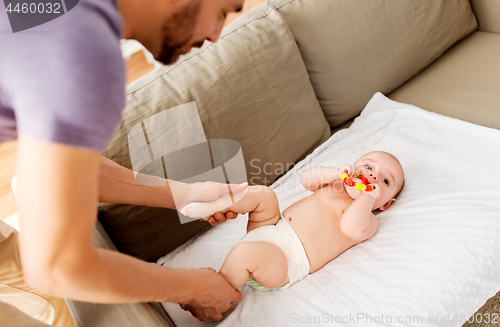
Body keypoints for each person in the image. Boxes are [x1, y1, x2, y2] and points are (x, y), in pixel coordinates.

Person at [0, 0, 246, 322]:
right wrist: (195, 287)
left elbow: (65, 175)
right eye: (223, 11)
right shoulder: (84, 56)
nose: (216, 34)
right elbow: (56, 267)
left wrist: (181, 194)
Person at [181, 151, 405, 292]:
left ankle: (216, 292)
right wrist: (337, 173)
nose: (373, 176)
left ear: (386, 204)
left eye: (384, 180)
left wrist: (368, 197)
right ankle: (212, 206)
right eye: (368, 167)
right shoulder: (335, 184)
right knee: (264, 195)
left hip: (285, 262)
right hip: (272, 228)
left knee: (244, 254)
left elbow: (350, 227)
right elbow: (306, 180)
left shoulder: (369, 219)